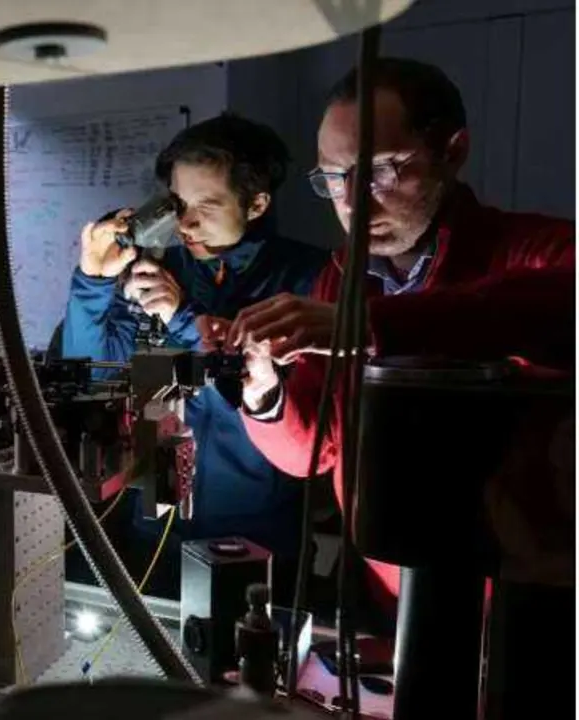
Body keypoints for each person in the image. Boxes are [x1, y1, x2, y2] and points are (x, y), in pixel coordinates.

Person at [227, 58, 575, 622]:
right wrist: (264, 394)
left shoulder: (532, 249)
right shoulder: (340, 277)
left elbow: (559, 303)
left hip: (520, 606)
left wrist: (372, 326)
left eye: (381, 171)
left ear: (453, 152)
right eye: (333, 178)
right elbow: (311, 452)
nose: (352, 202)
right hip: (388, 597)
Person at [61, 113, 329, 598]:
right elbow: (90, 376)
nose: (185, 222)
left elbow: (274, 407)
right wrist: (92, 281)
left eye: (208, 204)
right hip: (153, 527)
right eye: (179, 203)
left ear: (257, 203)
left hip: (255, 541)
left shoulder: (308, 280)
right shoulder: (154, 271)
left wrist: (184, 315)